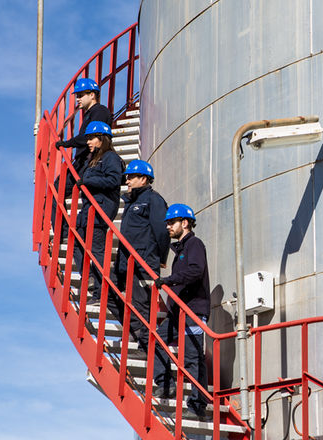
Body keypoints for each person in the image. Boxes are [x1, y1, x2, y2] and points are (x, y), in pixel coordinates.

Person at [148, 204, 211, 421]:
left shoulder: (194, 244)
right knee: (156, 340)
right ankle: (166, 385)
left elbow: (196, 271)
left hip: (193, 311)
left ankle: (197, 405)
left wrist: (169, 280)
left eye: (171, 222)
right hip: (178, 313)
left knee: (192, 358)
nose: (167, 227)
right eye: (166, 223)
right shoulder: (181, 250)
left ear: (185, 223)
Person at [112, 160, 170, 356]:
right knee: (111, 294)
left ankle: (145, 346)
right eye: (127, 177)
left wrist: (161, 258)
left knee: (141, 305)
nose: (127, 181)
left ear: (143, 178)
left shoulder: (153, 200)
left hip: (143, 262)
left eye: (131, 177)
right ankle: (135, 333)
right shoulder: (132, 202)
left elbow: (162, 232)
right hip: (125, 263)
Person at [73, 121, 123, 297]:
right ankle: (92, 277)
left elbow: (114, 181)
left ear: (102, 139)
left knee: (97, 251)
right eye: (87, 138)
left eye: (92, 138)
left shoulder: (110, 158)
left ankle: (101, 291)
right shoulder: (92, 160)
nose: (88, 142)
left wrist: (88, 181)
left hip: (100, 210)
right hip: (88, 211)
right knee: (75, 244)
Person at [55, 78, 112, 167]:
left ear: (92, 95)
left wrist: (67, 143)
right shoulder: (90, 113)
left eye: (81, 95)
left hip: (90, 160)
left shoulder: (100, 111)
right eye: (77, 96)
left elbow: (91, 136)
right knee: (60, 181)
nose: (77, 99)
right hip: (82, 160)